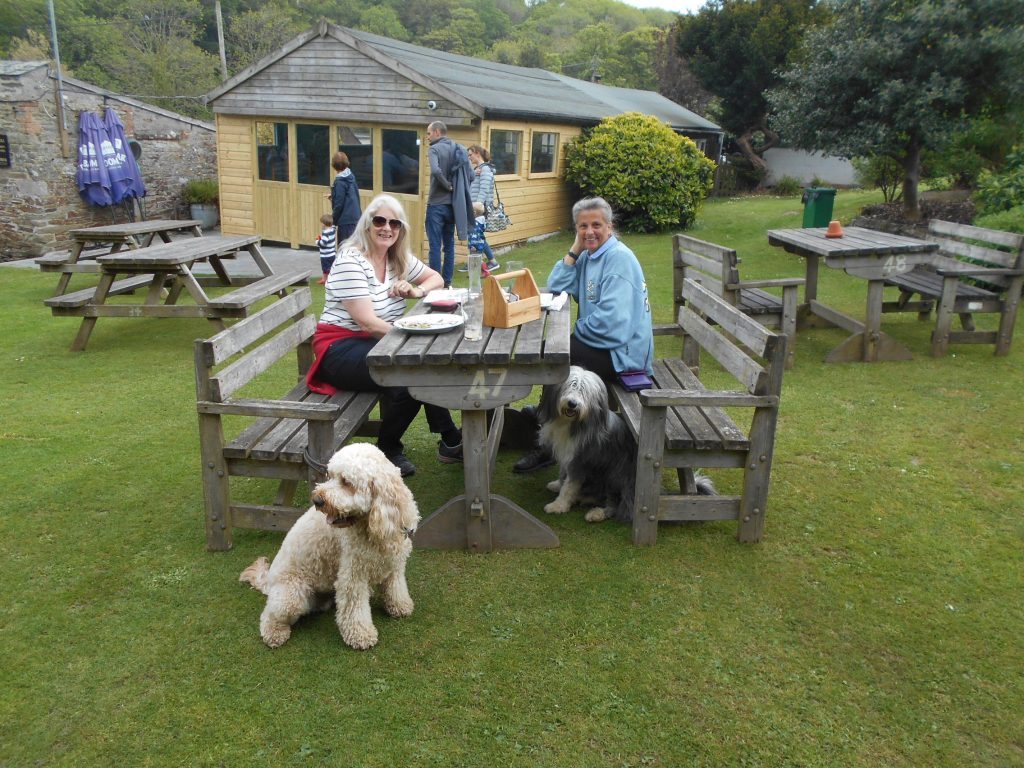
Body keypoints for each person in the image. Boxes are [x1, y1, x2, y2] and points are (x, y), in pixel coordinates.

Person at [306, 194, 463, 477]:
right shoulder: (350, 260)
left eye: (395, 223)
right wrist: (414, 337)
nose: (387, 228)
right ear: (367, 225)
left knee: (418, 366)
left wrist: (417, 291)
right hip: (339, 348)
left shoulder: (396, 258)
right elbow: (368, 323)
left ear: (401, 229)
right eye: (380, 220)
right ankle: (390, 448)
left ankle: (449, 440)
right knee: (411, 371)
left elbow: (436, 277)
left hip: (377, 342)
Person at [513, 196, 654, 473]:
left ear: (610, 226)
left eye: (596, 225)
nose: (590, 231)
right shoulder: (592, 255)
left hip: (623, 357)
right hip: (607, 346)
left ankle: (546, 438)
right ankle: (547, 423)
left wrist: (574, 331)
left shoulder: (619, 260)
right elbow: (556, 286)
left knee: (556, 354)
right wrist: (576, 249)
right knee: (557, 352)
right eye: (582, 226)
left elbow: (611, 327)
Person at [425, 121, 474, 288]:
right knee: (449, 246)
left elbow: (435, 170)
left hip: (436, 206)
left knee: (434, 246)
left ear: (437, 132)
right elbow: (471, 175)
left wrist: (447, 185)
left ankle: (435, 284)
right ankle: (447, 283)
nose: (427, 136)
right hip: (452, 207)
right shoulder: (458, 148)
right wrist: (457, 189)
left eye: (429, 133)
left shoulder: (434, 149)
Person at [460, 145, 499, 272]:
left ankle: (475, 264)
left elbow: (484, 189)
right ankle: (491, 262)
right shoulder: (478, 169)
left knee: (474, 235)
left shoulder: (485, 170)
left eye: (470, 155)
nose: (469, 157)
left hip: (478, 208)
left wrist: (478, 206)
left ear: (477, 153)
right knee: (477, 235)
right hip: (474, 206)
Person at [330, 150, 361, 244]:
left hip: (346, 221)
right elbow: (350, 195)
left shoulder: (340, 181)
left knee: (344, 249)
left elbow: (339, 204)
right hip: (356, 218)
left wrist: (333, 221)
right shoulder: (351, 176)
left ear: (334, 165)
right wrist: (333, 195)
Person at [467, 201, 499, 273]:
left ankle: (483, 270)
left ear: (474, 213)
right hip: (481, 240)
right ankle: (492, 264)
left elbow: (473, 234)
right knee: (482, 252)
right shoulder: (482, 220)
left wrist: (472, 245)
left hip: (475, 242)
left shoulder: (474, 224)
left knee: (475, 256)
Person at [316, 213, 337, 285]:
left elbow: (323, 243)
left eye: (321, 223)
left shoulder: (325, 233)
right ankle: (326, 279)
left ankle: (326, 280)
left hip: (325, 255)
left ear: (324, 224)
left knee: (325, 269)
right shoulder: (333, 230)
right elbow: (334, 225)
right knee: (332, 267)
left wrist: (317, 241)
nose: (321, 224)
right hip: (332, 254)